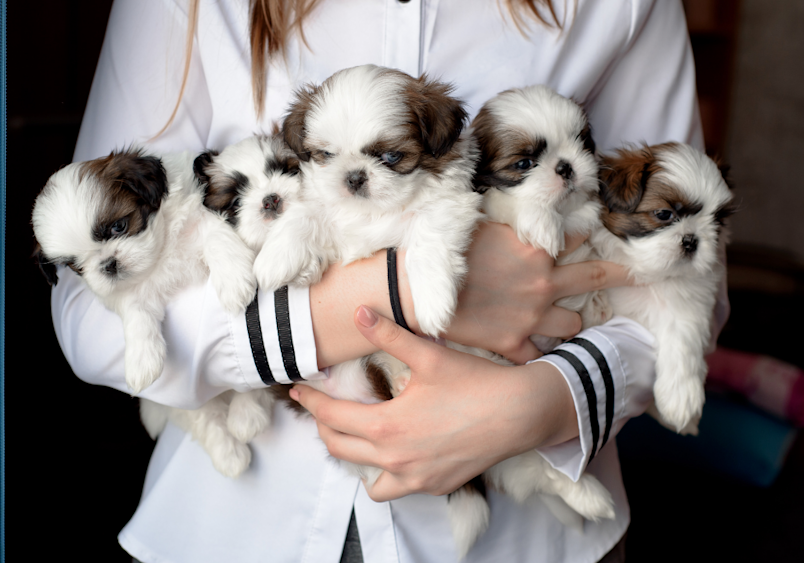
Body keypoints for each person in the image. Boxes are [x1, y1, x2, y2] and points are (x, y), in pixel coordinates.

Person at [53, 0, 719, 561]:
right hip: (235, 522)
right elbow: (87, 312)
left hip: (529, 538)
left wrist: (546, 403)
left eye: (389, 155)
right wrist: (377, 296)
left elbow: (685, 265)